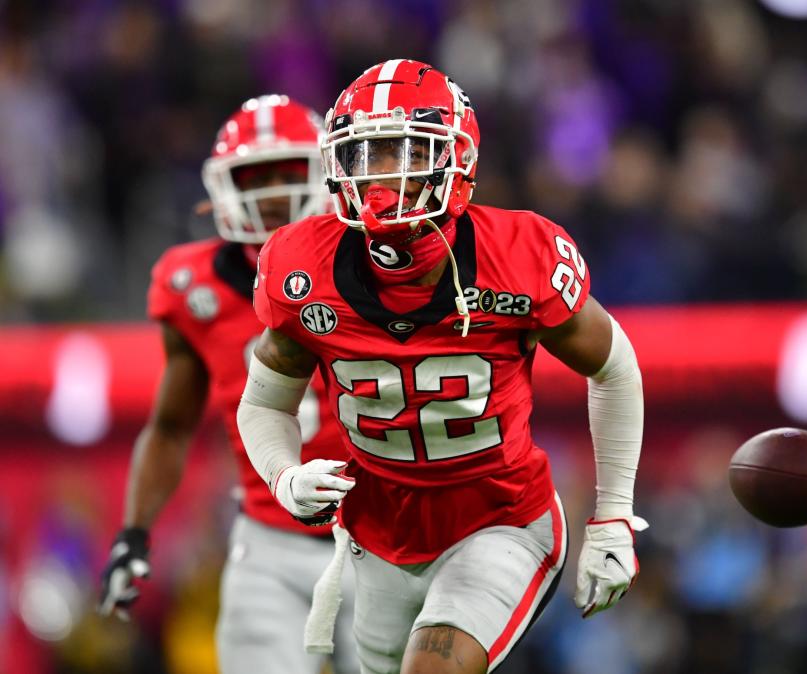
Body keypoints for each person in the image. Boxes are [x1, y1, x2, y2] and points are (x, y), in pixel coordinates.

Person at [238, 61, 647, 674]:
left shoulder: (521, 256)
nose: (381, 176)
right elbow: (264, 401)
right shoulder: (302, 269)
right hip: (377, 538)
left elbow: (613, 367)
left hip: (499, 522)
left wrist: (613, 514)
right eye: (366, 154)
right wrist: (283, 476)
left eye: (401, 152)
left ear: (456, 159)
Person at [98, 95, 359, 674]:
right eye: (253, 177)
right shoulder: (194, 289)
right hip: (269, 536)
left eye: (286, 173)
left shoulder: (374, 262)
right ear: (222, 186)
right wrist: (134, 533)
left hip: (384, 535)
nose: (270, 193)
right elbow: (169, 427)